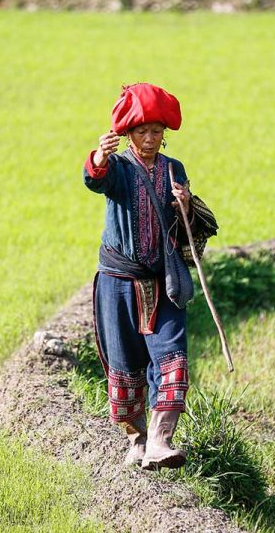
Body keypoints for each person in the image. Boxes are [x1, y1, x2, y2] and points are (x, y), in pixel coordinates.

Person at [83, 83, 217, 470]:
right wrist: (98, 156)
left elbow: (186, 225)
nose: (150, 138)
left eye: (157, 131)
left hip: (164, 281)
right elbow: (95, 180)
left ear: (165, 133)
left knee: (172, 357)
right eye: (142, 131)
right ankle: (138, 439)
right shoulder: (119, 168)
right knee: (124, 363)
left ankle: (161, 440)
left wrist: (186, 204)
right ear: (128, 134)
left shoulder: (175, 169)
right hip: (118, 282)